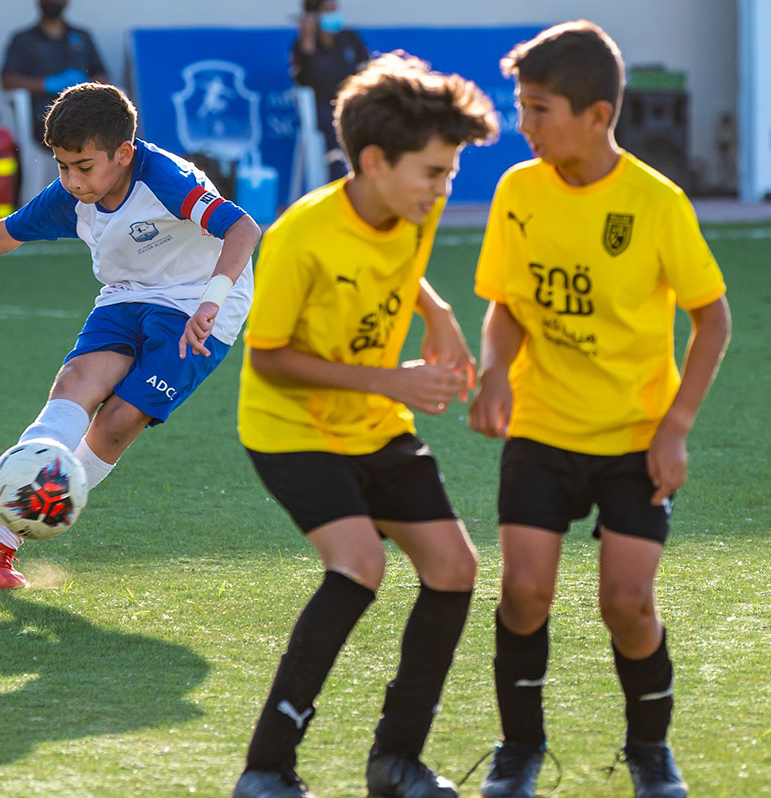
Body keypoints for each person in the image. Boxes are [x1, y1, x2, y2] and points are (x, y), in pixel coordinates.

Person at [468, 21, 731, 798]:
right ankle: (521, 748)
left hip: (634, 441)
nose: (523, 124)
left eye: (538, 109)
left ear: (597, 116)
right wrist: (495, 372)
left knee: (628, 604)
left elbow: (712, 318)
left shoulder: (656, 203)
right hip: (542, 428)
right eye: (521, 106)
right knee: (523, 595)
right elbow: (506, 305)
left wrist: (675, 427)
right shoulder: (518, 192)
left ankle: (650, 751)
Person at [0, 83, 261, 590]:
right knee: (76, 381)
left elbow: (243, 228)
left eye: (83, 167)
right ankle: (2, 520)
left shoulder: (164, 179)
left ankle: (6, 518)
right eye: (62, 166)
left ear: (123, 153)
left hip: (198, 306)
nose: (71, 180)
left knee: (117, 422)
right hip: (127, 294)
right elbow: (0, 235)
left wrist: (211, 301)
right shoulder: (72, 195)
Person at [232, 53, 498, 798]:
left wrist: (437, 313)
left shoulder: (414, 204)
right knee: (360, 564)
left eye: (450, 173)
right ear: (375, 161)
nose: (443, 189)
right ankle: (266, 770)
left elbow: (399, 263)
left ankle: (396, 761)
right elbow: (269, 359)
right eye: (433, 172)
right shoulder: (301, 236)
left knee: (454, 568)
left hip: (375, 422)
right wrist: (393, 379)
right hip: (291, 428)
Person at [0, 0, 109, 146]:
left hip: (84, 108)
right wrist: (46, 84)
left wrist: (87, 86)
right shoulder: (23, 39)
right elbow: (7, 81)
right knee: (72, 130)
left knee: (106, 126)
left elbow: (103, 76)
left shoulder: (82, 36)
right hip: (44, 113)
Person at [290, 0, 368, 182]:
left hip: (355, 103)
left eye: (335, 9)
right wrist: (308, 42)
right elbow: (304, 82)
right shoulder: (303, 47)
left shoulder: (350, 39)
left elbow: (365, 70)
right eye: (327, 10)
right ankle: (340, 181)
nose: (333, 14)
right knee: (335, 124)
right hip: (325, 109)